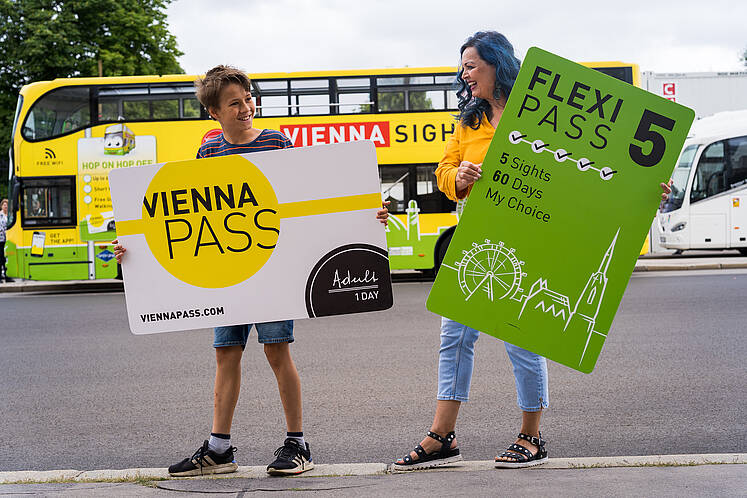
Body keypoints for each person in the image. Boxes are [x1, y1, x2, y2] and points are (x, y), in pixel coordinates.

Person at [393, 31, 673, 471]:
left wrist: (643, 193)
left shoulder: (543, 113)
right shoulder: (468, 122)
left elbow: (594, 172)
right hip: (479, 245)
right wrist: (460, 176)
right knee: (454, 337)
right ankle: (441, 436)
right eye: (462, 66)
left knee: (522, 339)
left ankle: (532, 436)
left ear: (497, 65)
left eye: (471, 65)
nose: (463, 74)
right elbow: (444, 174)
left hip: (531, 237)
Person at [114, 65, 389, 477]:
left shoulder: (276, 141)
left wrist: (367, 218)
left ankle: (298, 445)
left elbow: (310, 195)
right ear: (214, 113)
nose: (245, 108)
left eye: (247, 99)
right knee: (226, 354)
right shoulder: (209, 150)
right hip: (227, 274)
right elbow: (186, 215)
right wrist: (134, 246)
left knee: (277, 351)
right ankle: (219, 449)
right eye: (234, 103)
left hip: (272, 272)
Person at [1, 198, 8, 282]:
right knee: (1, 257)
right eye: (4, 205)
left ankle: (7, 275)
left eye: (6, 205)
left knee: (7, 258)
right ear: (1, 206)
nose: (5, 206)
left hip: (8, 240)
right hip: (1, 239)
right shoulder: (0, 215)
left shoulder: (9, 215)